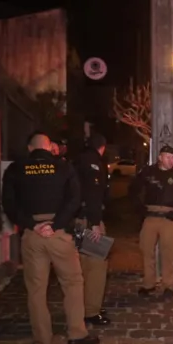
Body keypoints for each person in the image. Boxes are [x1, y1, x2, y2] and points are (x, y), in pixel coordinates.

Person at [1, 131, 100, 344]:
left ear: (30, 148)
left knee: (36, 290)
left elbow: (9, 204)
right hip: (59, 234)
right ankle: (76, 333)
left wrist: (32, 225)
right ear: (49, 147)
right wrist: (55, 224)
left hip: (32, 235)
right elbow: (74, 199)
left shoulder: (15, 169)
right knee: (73, 283)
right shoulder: (63, 167)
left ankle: (42, 343)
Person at [129, 145, 173, 299]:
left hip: (169, 217)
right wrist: (140, 209)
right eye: (168, 157)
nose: (171, 160)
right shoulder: (148, 172)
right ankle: (149, 284)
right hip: (150, 216)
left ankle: (168, 285)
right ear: (160, 157)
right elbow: (133, 190)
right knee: (146, 250)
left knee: (168, 253)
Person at [74, 133, 111, 326]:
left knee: (80, 265)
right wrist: (95, 222)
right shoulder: (94, 163)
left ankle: (81, 306)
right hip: (89, 220)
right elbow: (94, 193)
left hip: (75, 220)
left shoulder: (76, 159)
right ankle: (91, 310)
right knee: (96, 266)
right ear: (102, 147)